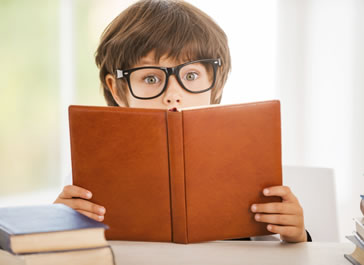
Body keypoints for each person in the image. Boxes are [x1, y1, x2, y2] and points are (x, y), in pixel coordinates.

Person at [54, 0, 311, 243]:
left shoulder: (247, 164)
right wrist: (55, 226)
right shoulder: (89, 173)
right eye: (151, 79)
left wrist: (296, 234)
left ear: (216, 81)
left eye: (190, 75)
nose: (173, 95)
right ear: (118, 90)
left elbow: (279, 248)